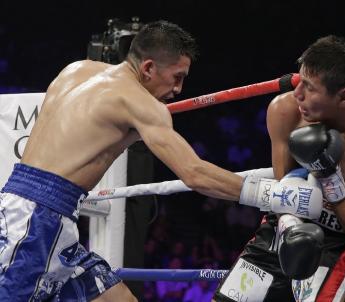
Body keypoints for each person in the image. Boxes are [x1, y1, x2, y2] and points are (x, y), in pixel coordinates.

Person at [0, 20, 324, 301]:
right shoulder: (139, 104)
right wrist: (277, 194)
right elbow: (194, 173)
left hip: (36, 208)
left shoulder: (77, 70)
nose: (179, 90)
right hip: (39, 220)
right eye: (177, 77)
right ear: (148, 68)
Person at [213, 35, 345, 302]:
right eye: (299, 81)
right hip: (287, 222)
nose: (297, 93)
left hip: (339, 241)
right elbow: (284, 194)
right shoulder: (286, 111)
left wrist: (328, 171)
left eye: (310, 88)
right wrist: (290, 227)